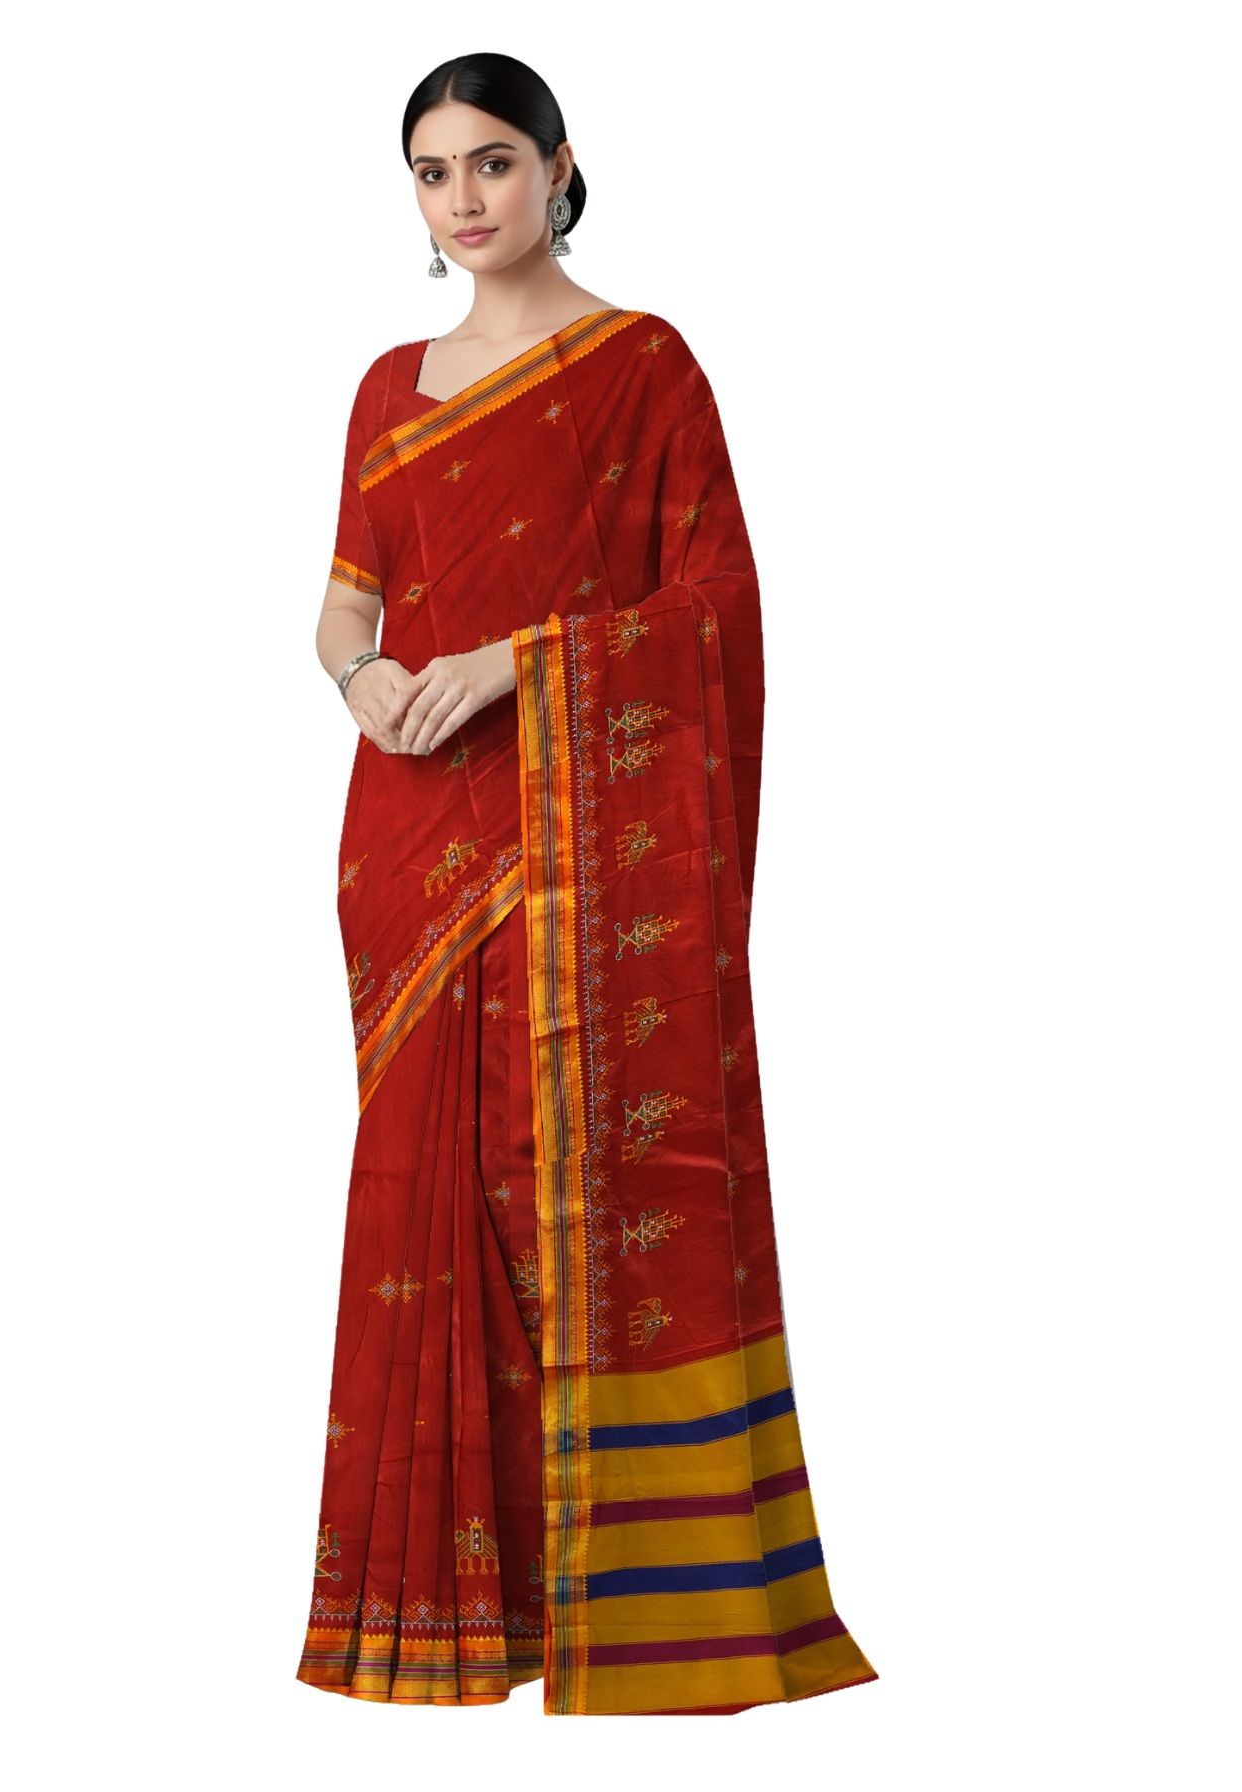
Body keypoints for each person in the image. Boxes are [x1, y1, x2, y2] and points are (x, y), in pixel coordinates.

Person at [299, 51, 878, 1717]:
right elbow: (341, 607)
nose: (463, 198)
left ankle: (637, 1604)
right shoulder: (387, 387)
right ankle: (449, 1612)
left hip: (571, 857)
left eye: (491, 161)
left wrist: (512, 664)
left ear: (560, 167)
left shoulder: (642, 370)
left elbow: (713, 613)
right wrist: (362, 679)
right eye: (431, 172)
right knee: (435, 1203)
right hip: (412, 849)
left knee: (567, 1179)